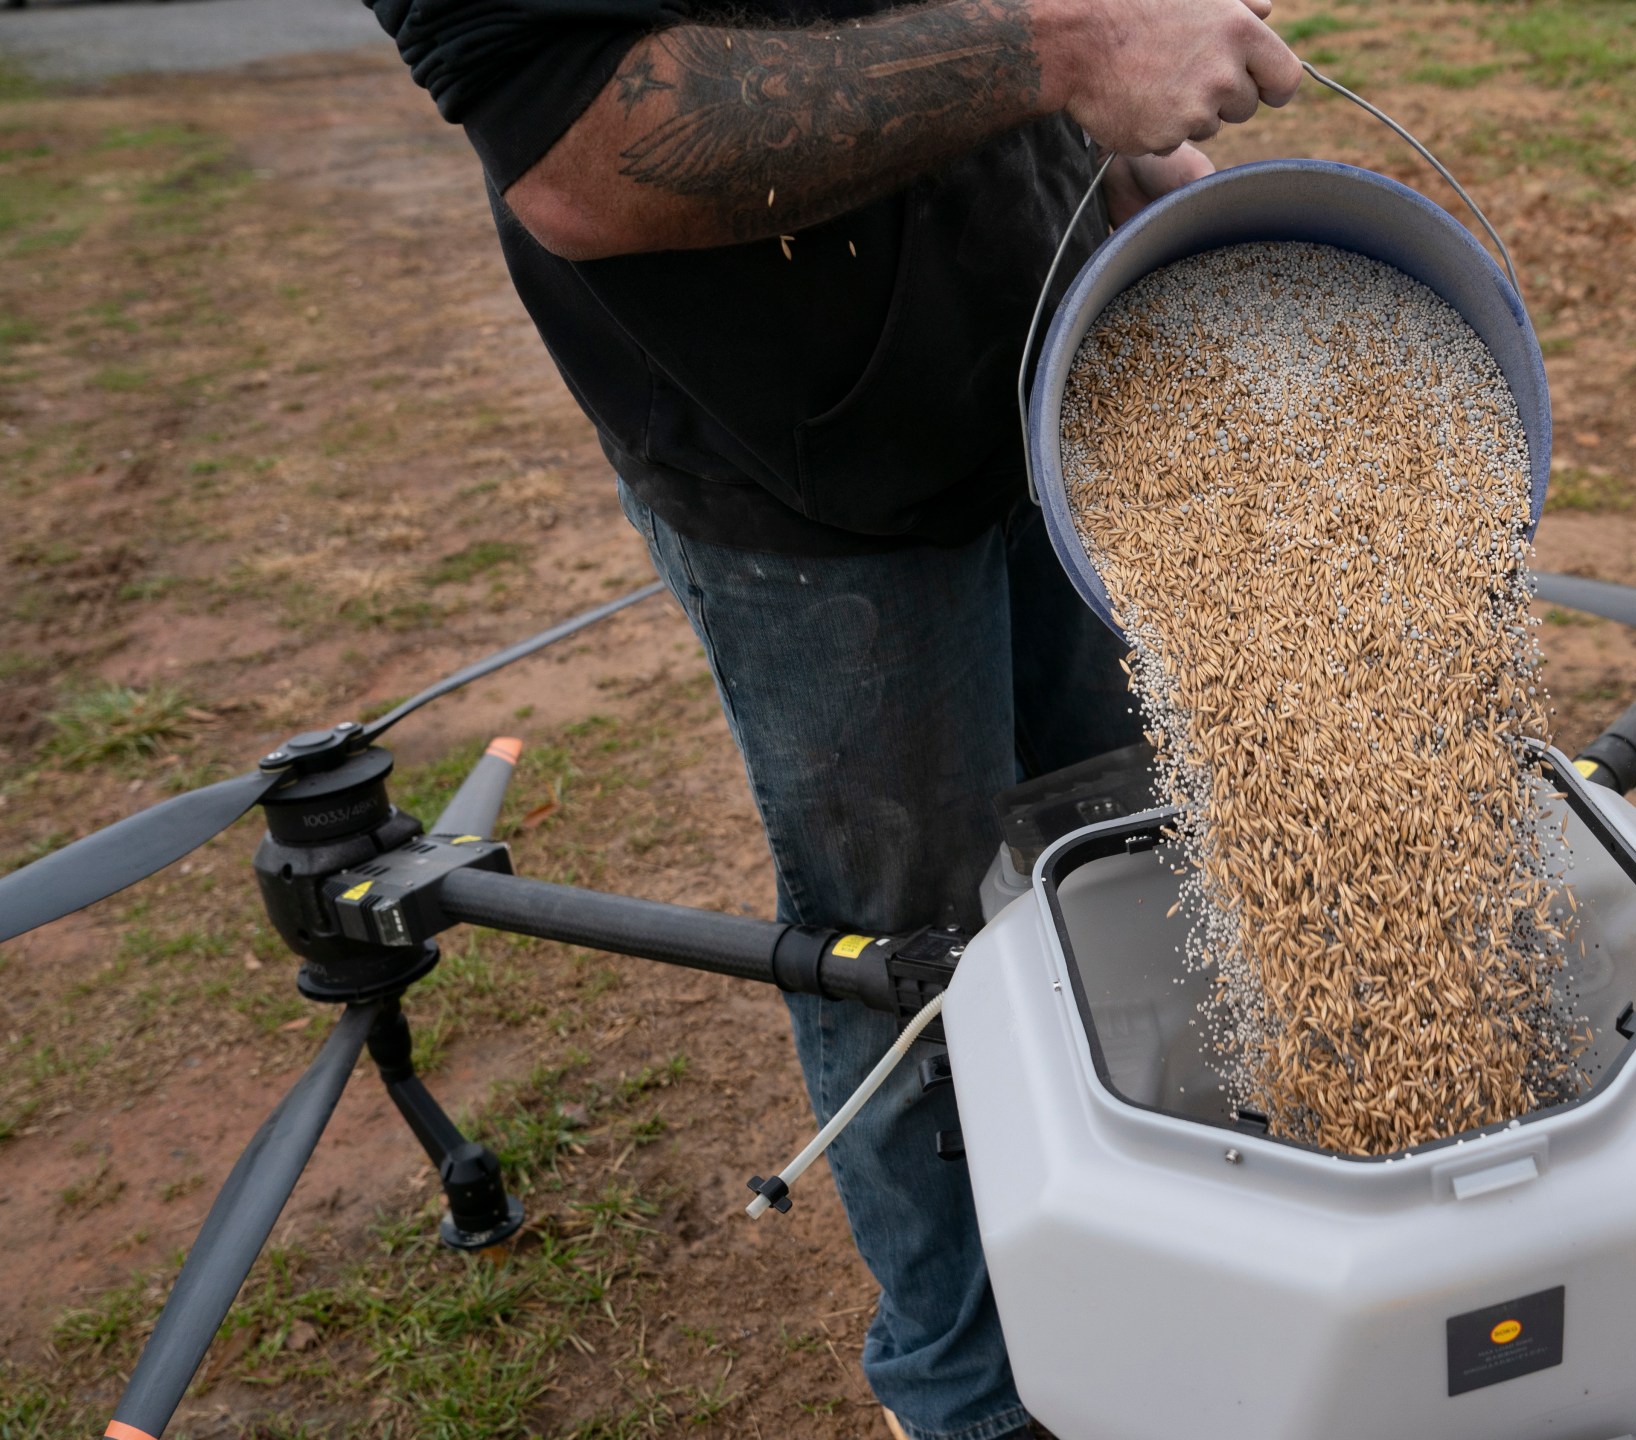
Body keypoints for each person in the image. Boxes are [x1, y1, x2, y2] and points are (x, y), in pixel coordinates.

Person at [364, 1, 1301, 1435]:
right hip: (813, 469)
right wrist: (1070, 53)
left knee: (1130, 851)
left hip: (1056, 358)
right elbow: (575, 145)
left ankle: (1165, 1265)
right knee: (907, 950)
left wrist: (1111, 158)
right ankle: (969, 1390)